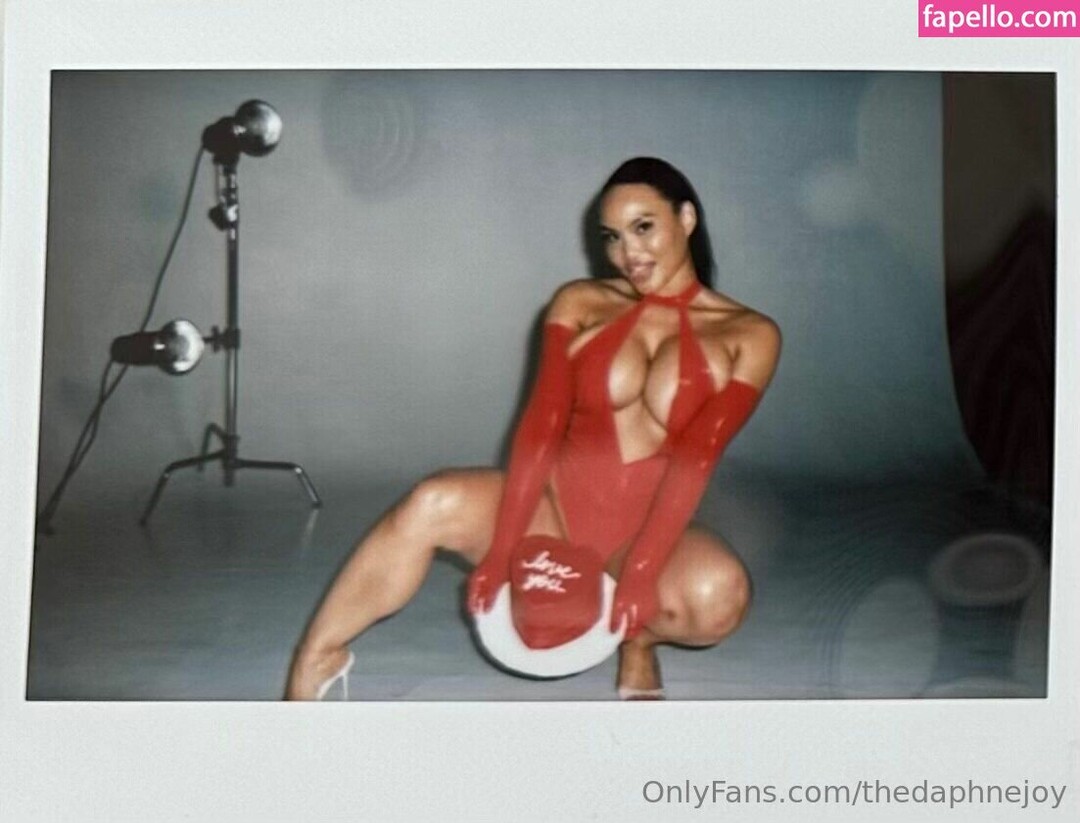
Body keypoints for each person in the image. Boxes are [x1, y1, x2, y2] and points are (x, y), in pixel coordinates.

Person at [285, 157, 780, 700]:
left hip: (641, 532)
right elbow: (540, 428)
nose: (628, 253)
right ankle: (317, 656)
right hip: (550, 512)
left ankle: (638, 642)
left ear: (686, 218)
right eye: (613, 237)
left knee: (718, 596)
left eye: (644, 227)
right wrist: (502, 549)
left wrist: (640, 571)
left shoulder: (751, 335)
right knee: (432, 500)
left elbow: (695, 459)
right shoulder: (581, 302)